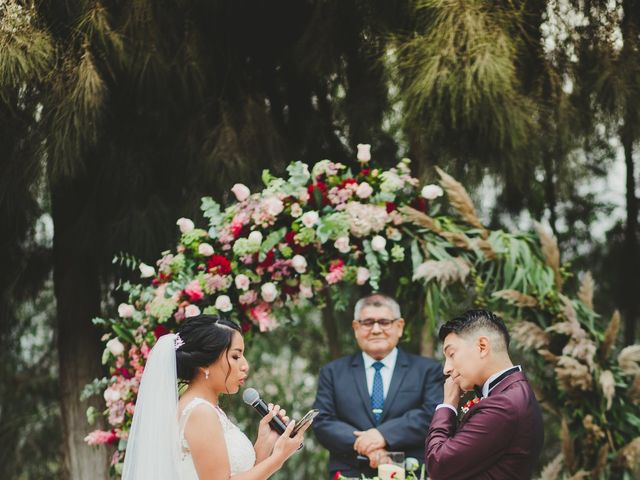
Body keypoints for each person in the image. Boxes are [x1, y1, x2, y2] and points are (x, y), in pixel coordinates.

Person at [122, 314, 309, 480]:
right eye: (236, 357)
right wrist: (278, 458)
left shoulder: (207, 408)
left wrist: (265, 441)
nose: (245, 365)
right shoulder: (199, 412)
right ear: (205, 364)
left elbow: (239, 474)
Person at [313, 293, 443, 479]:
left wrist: (383, 435)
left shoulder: (427, 370)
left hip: (410, 470)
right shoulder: (332, 372)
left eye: (384, 322)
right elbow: (322, 421)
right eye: (367, 322)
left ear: (399, 327)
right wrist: (367, 446)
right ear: (356, 328)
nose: (375, 330)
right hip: (350, 472)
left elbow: (433, 414)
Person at [425, 309, 544, 479]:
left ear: (482, 347)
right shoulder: (511, 392)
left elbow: (438, 465)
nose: (447, 368)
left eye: (451, 354)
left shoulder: (503, 405)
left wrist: (448, 405)